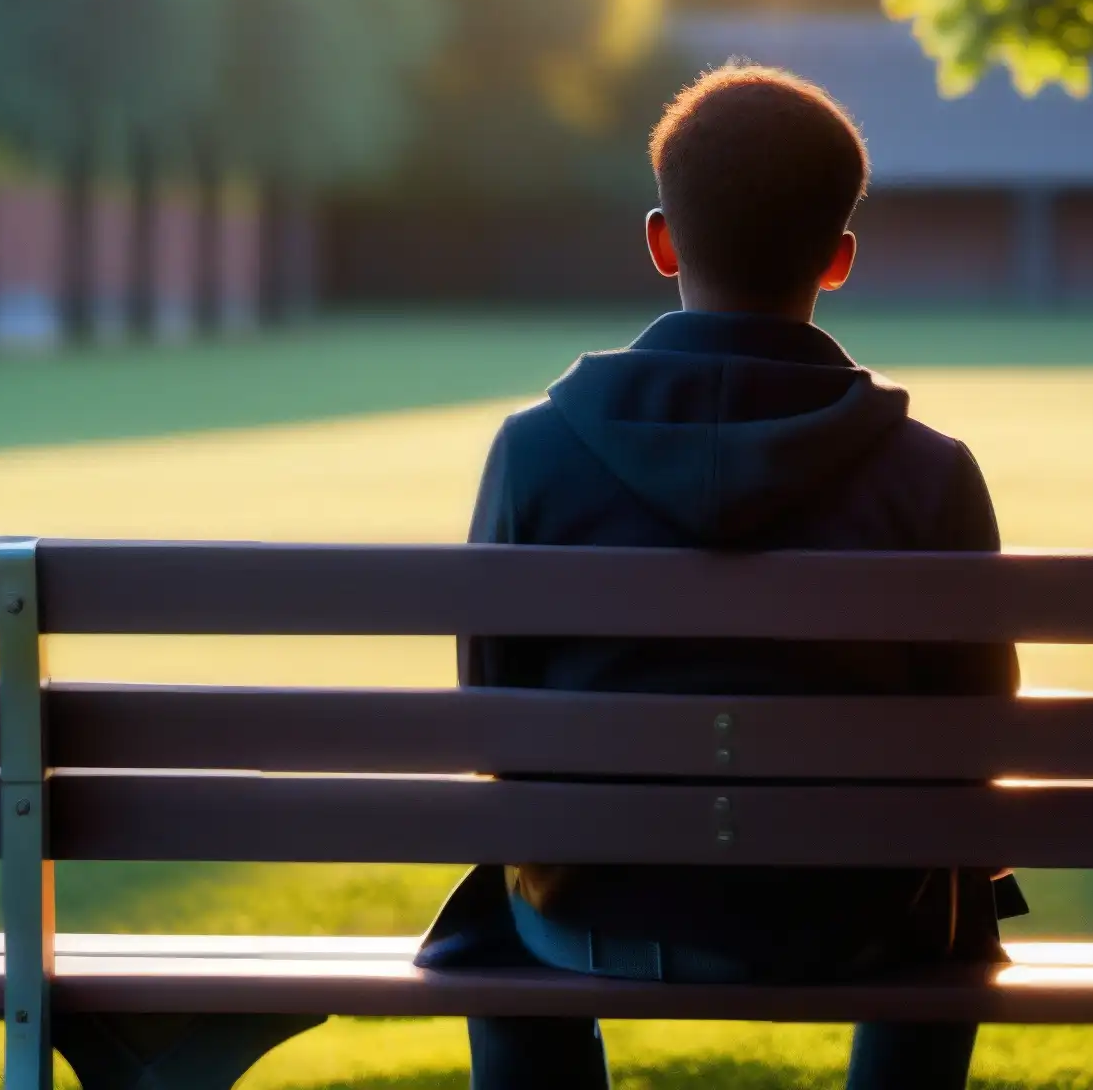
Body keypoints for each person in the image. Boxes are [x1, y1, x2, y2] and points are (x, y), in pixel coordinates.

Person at [420, 62, 1020, 1090]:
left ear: (661, 240)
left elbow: (490, 721)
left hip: (585, 914)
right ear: (837, 260)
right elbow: (977, 740)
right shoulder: (931, 473)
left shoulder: (534, 455)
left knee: (499, 878)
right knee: (958, 877)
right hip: (863, 921)